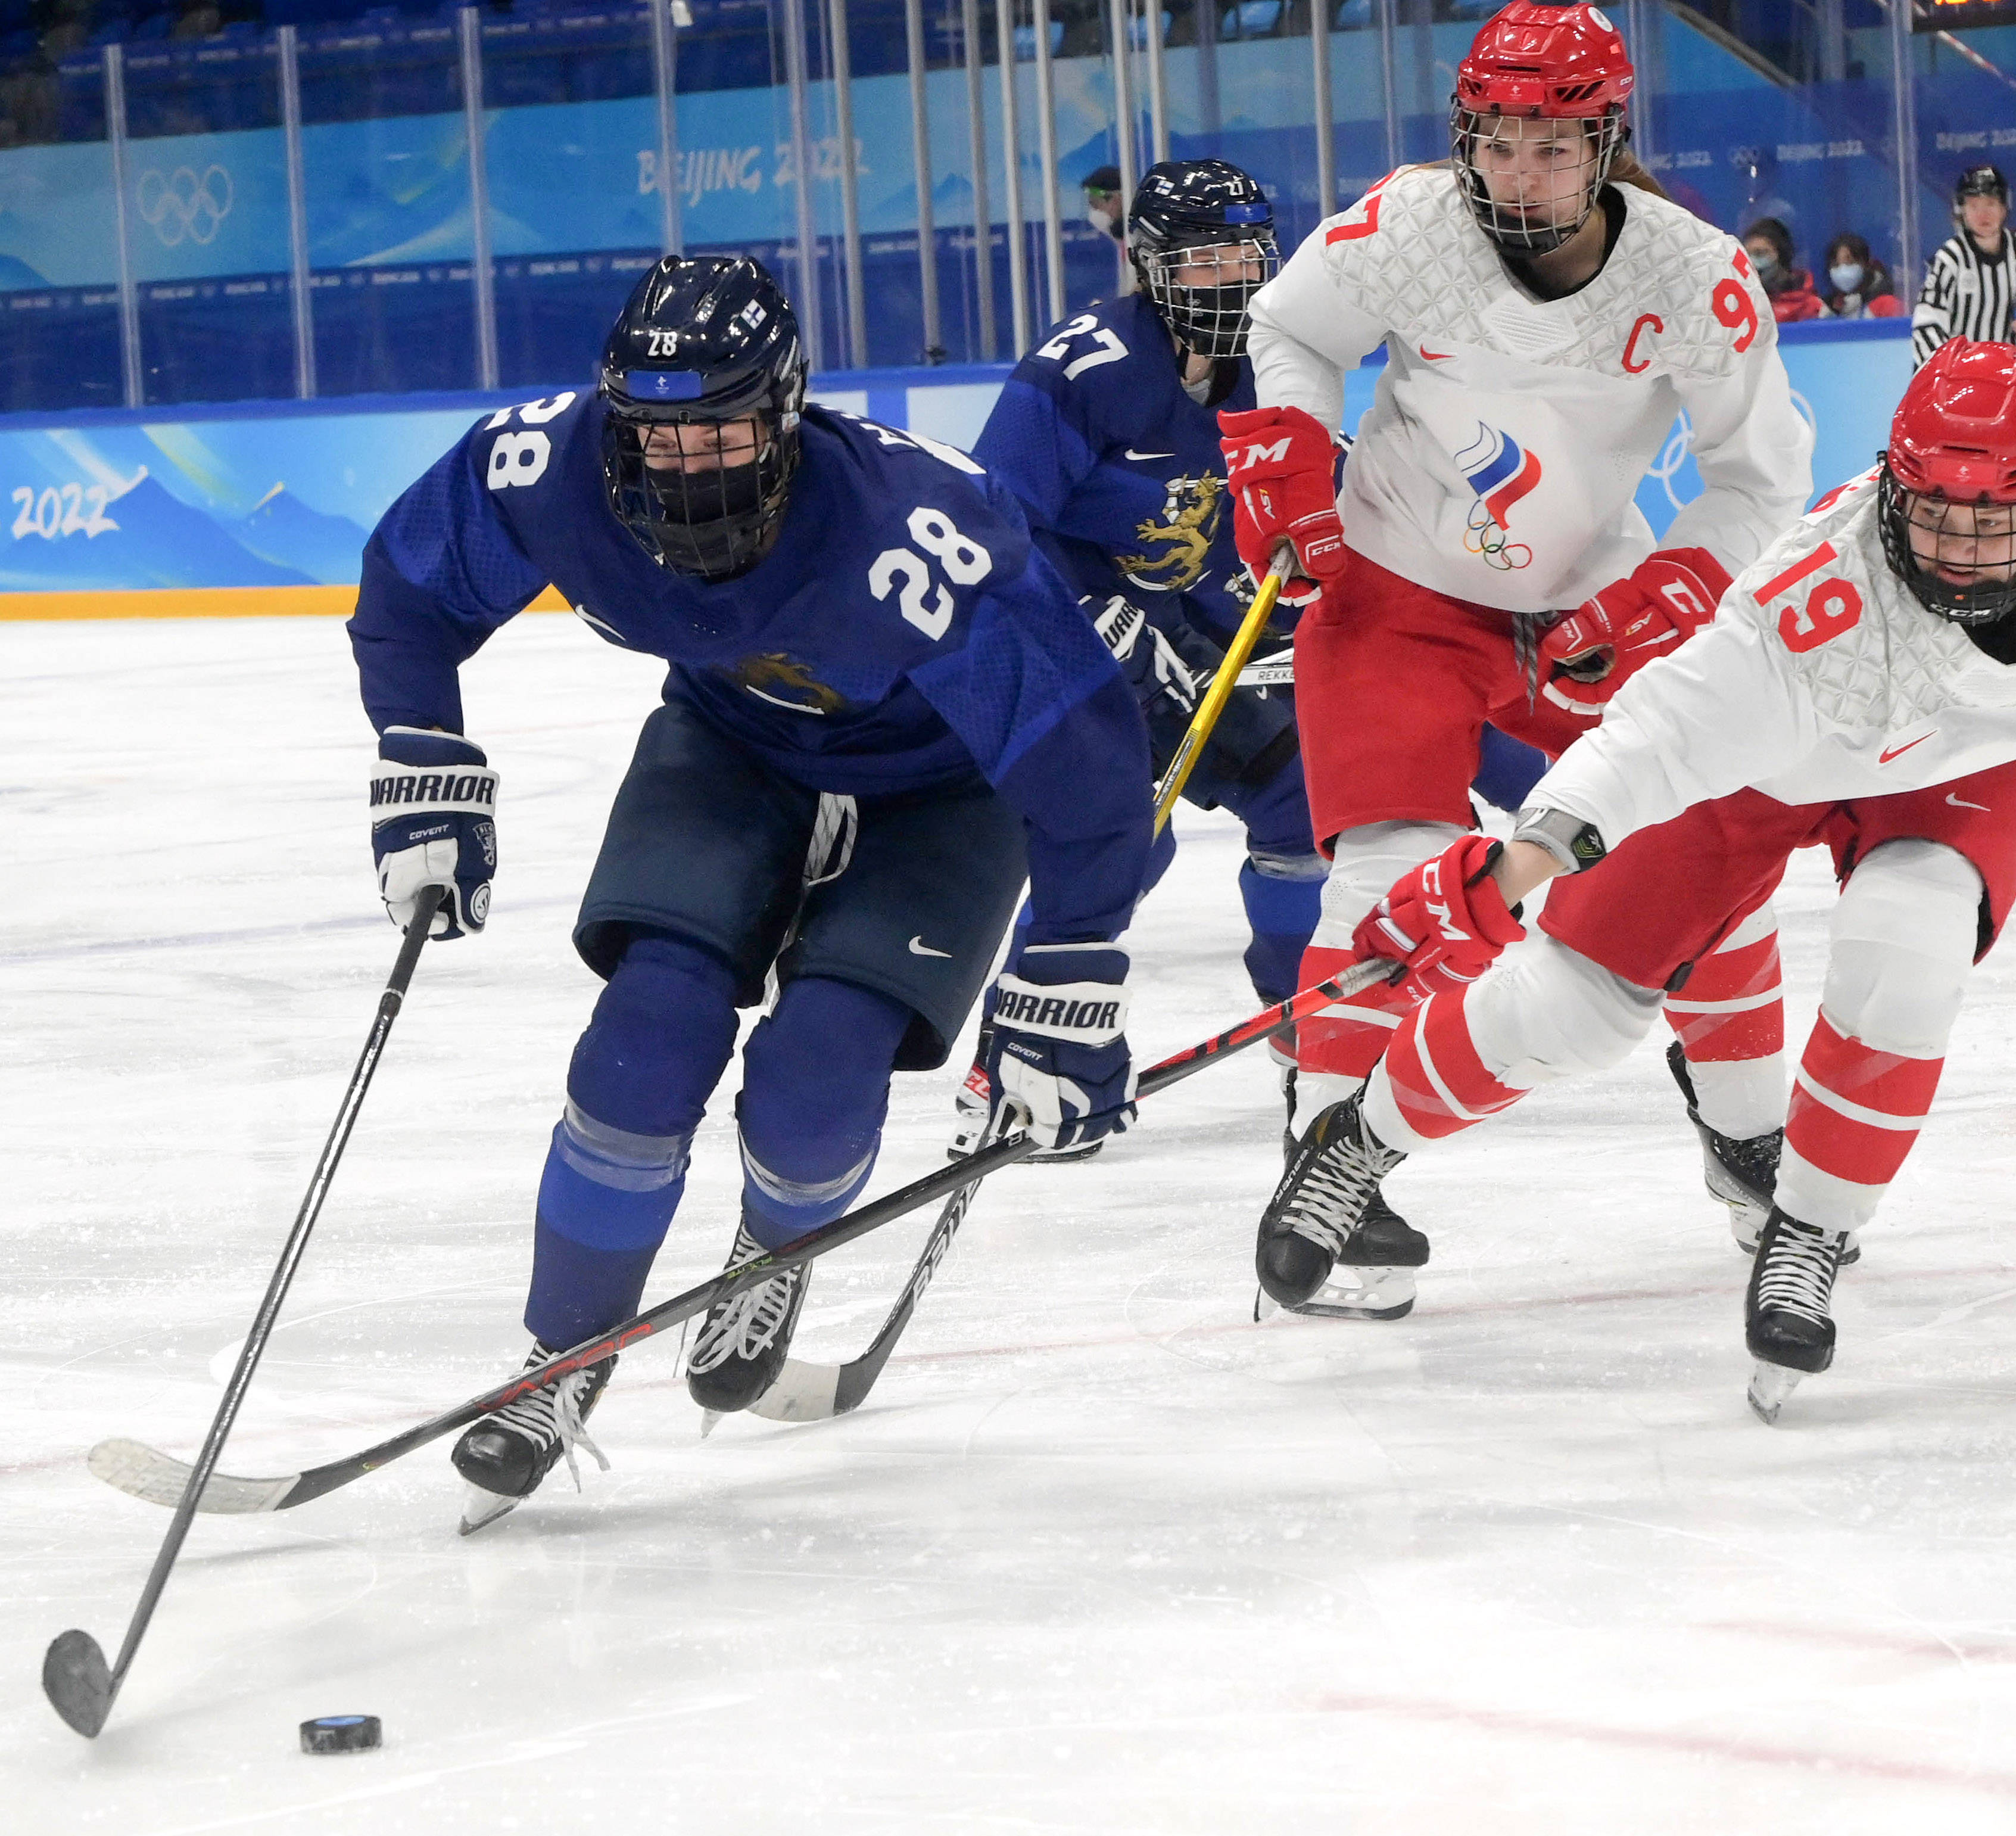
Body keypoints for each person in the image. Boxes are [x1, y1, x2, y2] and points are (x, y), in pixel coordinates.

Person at [1257, 339, 2016, 1424]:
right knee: (1569, 1008)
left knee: (1908, 948)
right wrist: (1512, 866)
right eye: (1931, 513)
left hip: (1973, 767)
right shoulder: (1811, 603)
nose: (1956, 548)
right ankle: (1358, 1140)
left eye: (1991, 519)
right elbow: (1653, 738)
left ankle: (1805, 1234)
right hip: (1773, 765)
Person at [348, 256, 1156, 1529]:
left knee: (817, 1077)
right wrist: (422, 751)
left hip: (938, 790)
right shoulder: (551, 470)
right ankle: (559, 1356)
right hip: (730, 745)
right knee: (641, 1041)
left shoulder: (919, 533)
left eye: (721, 421)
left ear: (784, 410)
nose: (688, 459)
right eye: (658, 431)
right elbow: (407, 589)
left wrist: (1071, 971)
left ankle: (768, 1250)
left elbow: (1091, 773)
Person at [1222, 0, 1815, 1317]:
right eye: (1495, 142)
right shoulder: (1404, 225)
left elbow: (1762, 476)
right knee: (1385, 866)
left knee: (1709, 832)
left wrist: (1675, 582)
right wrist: (1282, 454)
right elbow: (1288, 328)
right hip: (1389, 579)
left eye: (1552, 146)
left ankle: (1745, 1134)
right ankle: (1327, 1156)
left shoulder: (1694, 276)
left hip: (1581, 604)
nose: (1518, 175)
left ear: (1606, 139)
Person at [961, 155, 1547, 1194]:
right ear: (1149, 266)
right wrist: (1103, 624)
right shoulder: (1082, 368)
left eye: (1246, 255)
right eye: (1203, 260)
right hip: (1092, 652)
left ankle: (1303, 1032)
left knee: (1299, 805)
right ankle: (1006, 1065)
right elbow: (992, 529)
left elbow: (1312, 502)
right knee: (1113, 847)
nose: (1231, 279)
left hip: (1219, 641)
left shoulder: (1282, 360)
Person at [1913, 164, 2016, 366]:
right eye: (1974, 206)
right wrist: (1946, 368)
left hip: (2003, 370)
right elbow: (1928, 322)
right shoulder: (1950, 258)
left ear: (2004, 206)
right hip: (1954, 375)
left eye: (1990, 204)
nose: (1983, 214)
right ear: (1961, 210)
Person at [1742, 217, 1826, 323]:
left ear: (1781, 254)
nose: (1752, 262)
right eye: (1747, 255)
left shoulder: (1813, 306)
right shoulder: (1739, 304)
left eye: (1760, 253)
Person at [1820, 231, 1902, 319]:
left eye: (1849, 263)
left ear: (1867, 264)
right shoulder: (1829, 307)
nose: (1842, 270)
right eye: (1836, 265)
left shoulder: (1886, 303)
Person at [1083, 164, 1137, 296]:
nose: (1094, 212)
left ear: (1117, 199)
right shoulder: (1122, 241)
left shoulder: (1138, 239)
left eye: (1095, 204)